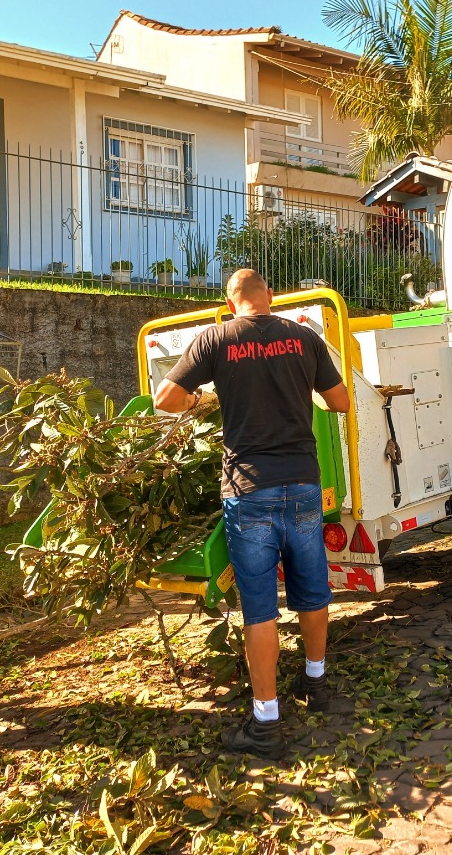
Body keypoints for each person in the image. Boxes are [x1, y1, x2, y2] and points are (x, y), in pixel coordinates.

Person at [155, 269, 350, 759]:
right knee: (312, 587)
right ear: (270, 297)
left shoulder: (216, 338)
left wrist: (206, 397)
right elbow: (342, 402)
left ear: (229, 303)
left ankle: (266, 721)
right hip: (303, 484)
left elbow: (165, 400)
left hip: (249, 488)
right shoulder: (303, 337)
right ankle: (316, 683)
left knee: (259, 606)